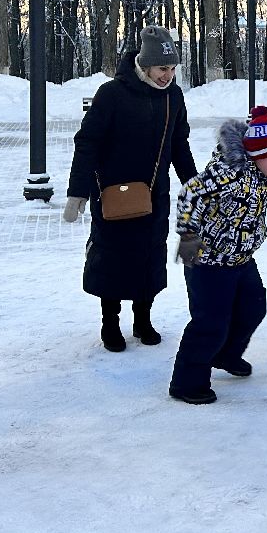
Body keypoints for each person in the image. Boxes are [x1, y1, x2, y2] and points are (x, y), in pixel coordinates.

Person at [64, 25, 197, 352]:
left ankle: (143, 318)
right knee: (112, 257)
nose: (168, 75)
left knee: (150, 255)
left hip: (154, 194)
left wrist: (194, 184)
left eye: (172, 69)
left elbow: (179, 144)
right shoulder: (112, 94)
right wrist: (77, 192)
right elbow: (87, 142)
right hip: (113, 194)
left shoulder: (173, 97)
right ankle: (110, 323)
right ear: (145, 64)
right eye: (162, 68)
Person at [169, 107, 267, 404]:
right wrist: (188, 236)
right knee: (210, 322)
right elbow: (189, 194)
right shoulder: (226, 174)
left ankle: (225, 355)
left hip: (242, 260)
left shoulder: (262, 175)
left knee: (253, 308)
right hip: (208, 263)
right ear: (258, 154)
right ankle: (186, 382)